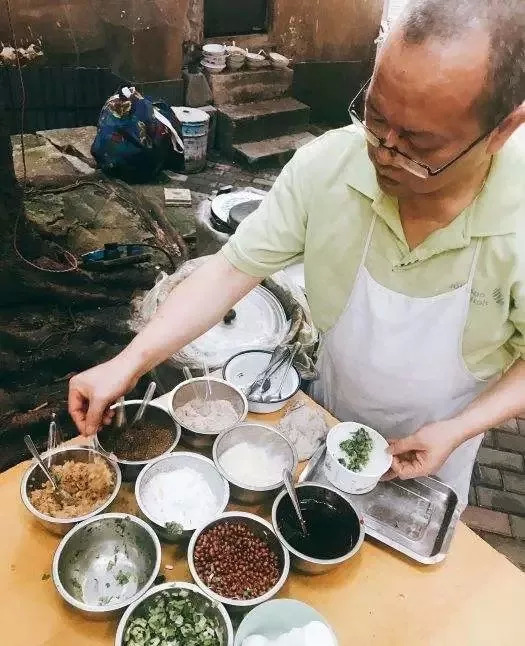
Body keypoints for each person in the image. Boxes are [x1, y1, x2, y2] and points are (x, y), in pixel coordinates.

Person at [69, 0, 525, 506]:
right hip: (326, 422)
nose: (384, 153)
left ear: (502, 131)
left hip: (438, 452)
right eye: (375, 118)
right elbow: (230, 271)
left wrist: (460, 428)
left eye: (419, 145)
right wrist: (130, 361)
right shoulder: (327, 167)